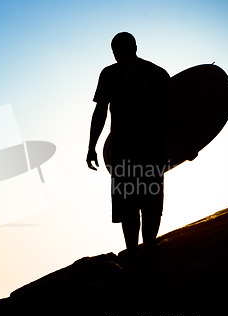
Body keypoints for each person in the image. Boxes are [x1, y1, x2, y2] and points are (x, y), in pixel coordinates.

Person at [86, 32, 170, 267]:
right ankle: (146, 253)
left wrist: (92, 146)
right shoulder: (157, 73)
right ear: (135, 46)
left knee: (131, 205)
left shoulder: (111, 73)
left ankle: (136, 254)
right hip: (152, 151)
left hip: (126, 153)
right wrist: (186, 144)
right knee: (148, 204)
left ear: (117, 50)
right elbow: (173, 113)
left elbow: (100, 111)